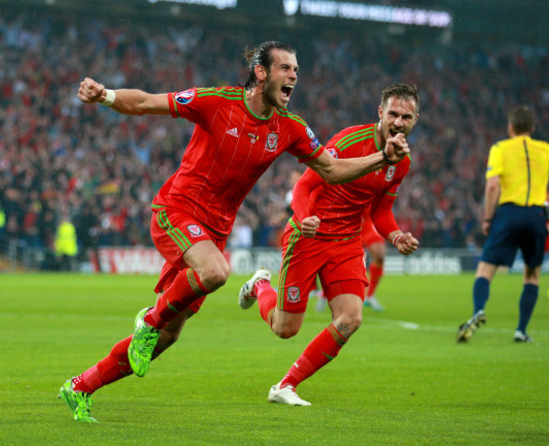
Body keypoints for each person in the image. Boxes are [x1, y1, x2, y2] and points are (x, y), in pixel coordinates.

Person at [58, 41, 408, 422]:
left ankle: (80, 386)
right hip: (176, 210)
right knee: (215, 273)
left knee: (168, 338)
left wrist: (382, 157)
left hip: (214, 230)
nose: (294, 76)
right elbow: (145, 102)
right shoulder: (216, 102)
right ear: (261, 72)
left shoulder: (290, 128)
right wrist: (105, 95)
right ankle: (150, 320)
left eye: (296, 70)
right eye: (286, 69)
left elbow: (333, 171)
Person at [238, 83, 420, 406]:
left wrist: (396, 236)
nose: (398, 122)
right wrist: (305, 217)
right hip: (310, 234)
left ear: (415, 120)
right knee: (285, 328)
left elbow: (381, 210)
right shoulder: (350, 140)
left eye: (406, 117)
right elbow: (304, 186)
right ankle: (261, 287)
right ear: (380, 113)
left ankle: (286, 385)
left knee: (351, 318)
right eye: (393, 113)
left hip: (347, 241)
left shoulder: (401, 162)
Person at [456, 106, 549, 344]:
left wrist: (488, 218)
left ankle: (478, 310)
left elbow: (492, 186)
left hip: (509, 213)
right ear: (532, 128)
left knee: (486, 269)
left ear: (510, 127)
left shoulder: (500, 149)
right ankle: (521, 331)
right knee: (531, 275)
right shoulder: (544, 149)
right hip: (536, 215)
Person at [361, 208, 387, 311]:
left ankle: (370, 296)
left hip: (368, 225)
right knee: (342, 260)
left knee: (380, 256)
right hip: (352, 224)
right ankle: (325, 294)